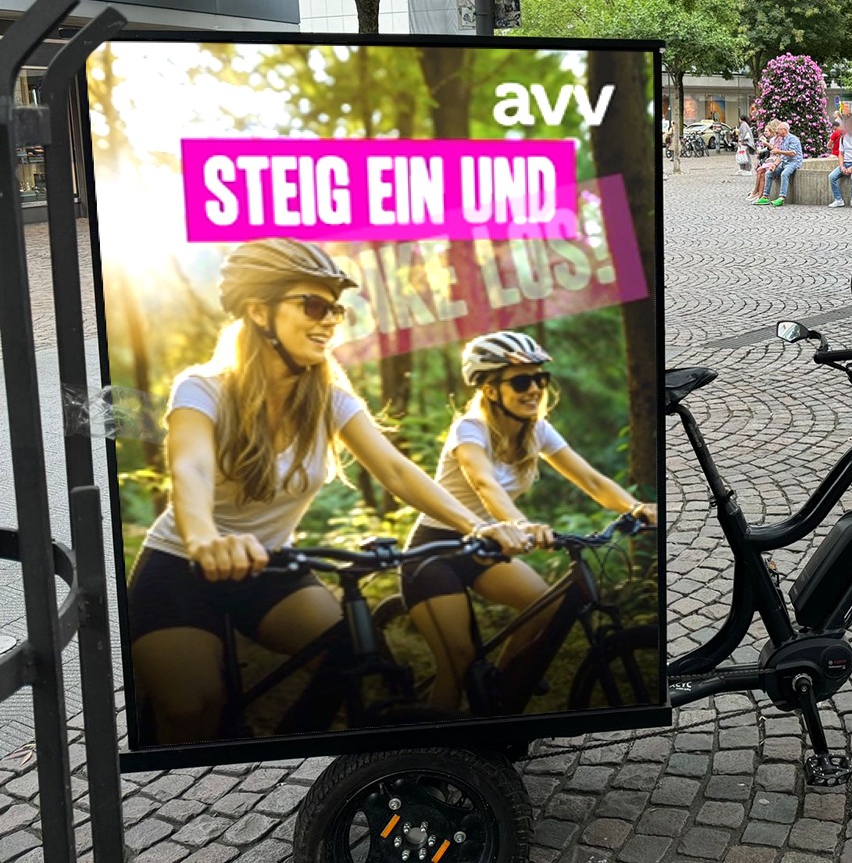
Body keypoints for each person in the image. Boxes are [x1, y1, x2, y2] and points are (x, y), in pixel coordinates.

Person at [127, 239, 530, 744]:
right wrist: (205, 536)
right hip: (181, 565)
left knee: (358, 657)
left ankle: (293, 751)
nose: (330, 321)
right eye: (313, 305)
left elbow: (396, 470)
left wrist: (477, 526)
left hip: (271, 565)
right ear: (258, 311)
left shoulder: (328, 397)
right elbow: (191, 467)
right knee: (191, 706)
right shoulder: (203, 387)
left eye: (335, 309)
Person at [400, 332, 655, 711]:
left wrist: (636, 507)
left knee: (546, 607)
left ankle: (498, 696)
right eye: (521, 381)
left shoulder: (536, 430)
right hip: (434, 551)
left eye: (540, 378)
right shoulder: (470, 429)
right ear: (490, 389)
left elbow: (591, 480)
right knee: (458, 660)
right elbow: (484, 483)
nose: (534, 388)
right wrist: (521, 525)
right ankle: (432, 741)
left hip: (486, 547)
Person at [756, 120, 804, 207]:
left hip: (793, 162)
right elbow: (781, 156)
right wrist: (774, 165)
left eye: (779, 129)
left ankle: (782, 198)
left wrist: (778, 151)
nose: (777, 131)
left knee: (784, 174)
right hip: (784, 162)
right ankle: (765, 196)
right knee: (768, 174)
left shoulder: (793, 139)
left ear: (784, 130)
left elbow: (792, 153)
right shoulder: (783, 140)